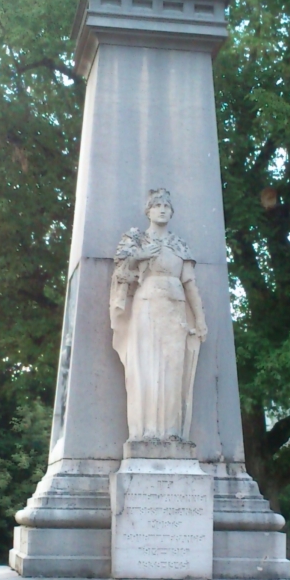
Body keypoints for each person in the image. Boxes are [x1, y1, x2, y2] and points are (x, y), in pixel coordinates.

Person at [110, 188, 207, 445]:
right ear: (148, 211)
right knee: (146, 367)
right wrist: (139, 257)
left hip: (175, 308)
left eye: (166, 205)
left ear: (172, 212)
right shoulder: (137, 242)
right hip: (146, 306)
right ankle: (145, 432)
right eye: (157, 205)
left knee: (174, 369)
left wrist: (200, 319)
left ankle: (172, 431)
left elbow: (190, 285)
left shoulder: (179, 245)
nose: (162, 209)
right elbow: (122, 274)